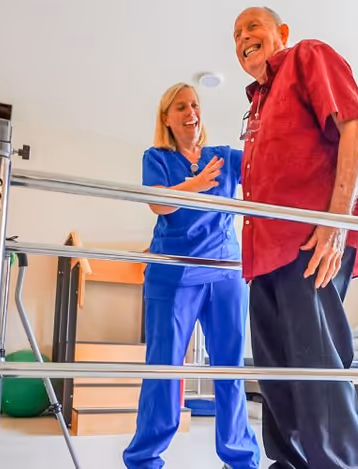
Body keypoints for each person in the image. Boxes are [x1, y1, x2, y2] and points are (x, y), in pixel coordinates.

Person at [232, 7, 358, 469]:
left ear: (282, 33)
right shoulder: (257, 105)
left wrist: (336, 225)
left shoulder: (307, 56)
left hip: (310, 245)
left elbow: (356, 125)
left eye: (253, 26)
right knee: (276, 378)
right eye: (236, 34)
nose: (243, 38)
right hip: (266, 256)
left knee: (317, 377)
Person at [122, 82, 261, 469]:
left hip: (223, 272)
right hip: (173, 274)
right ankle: (145, 458)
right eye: (180, 107)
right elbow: (158, 203)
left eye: (195, 105)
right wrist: (196, 186)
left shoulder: (223, 156)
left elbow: (263, 165)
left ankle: (240, 458)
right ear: (166, 118)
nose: (190, 113)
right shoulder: (158, 157)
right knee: (164, 369)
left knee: (229, 368)